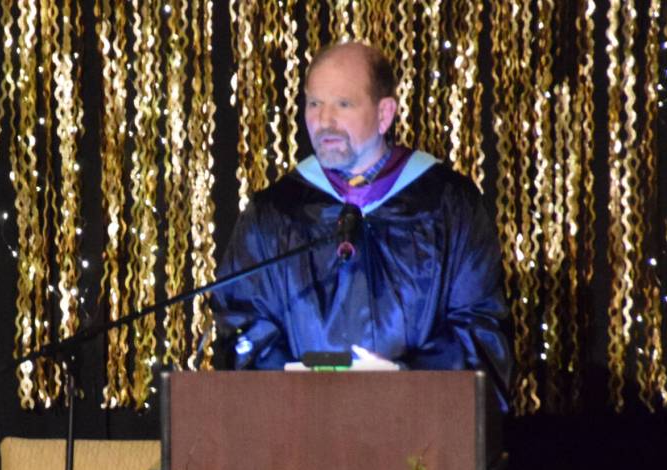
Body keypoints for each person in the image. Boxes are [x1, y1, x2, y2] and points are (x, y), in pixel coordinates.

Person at [211, 42, 512, 403]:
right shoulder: (274, 213)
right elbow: (241, 324)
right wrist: (298, 386)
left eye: (343, 104)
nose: (324, 122)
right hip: (298, 436)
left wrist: (403, 378)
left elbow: (481, 332)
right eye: (314, 104)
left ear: (385, 114)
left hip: (418, 434)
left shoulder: (449, 205)